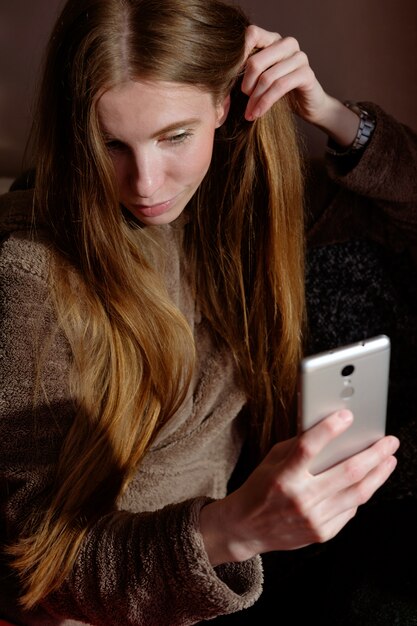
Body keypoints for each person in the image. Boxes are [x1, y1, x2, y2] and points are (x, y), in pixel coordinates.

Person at [0, 0, 415, 624]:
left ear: (223, 107)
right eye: (110, 143)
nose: (145, 183)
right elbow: (29, 562)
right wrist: (228, 532)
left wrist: (334, 118)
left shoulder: (245, 211)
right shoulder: (31, 270)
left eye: (175, 137)